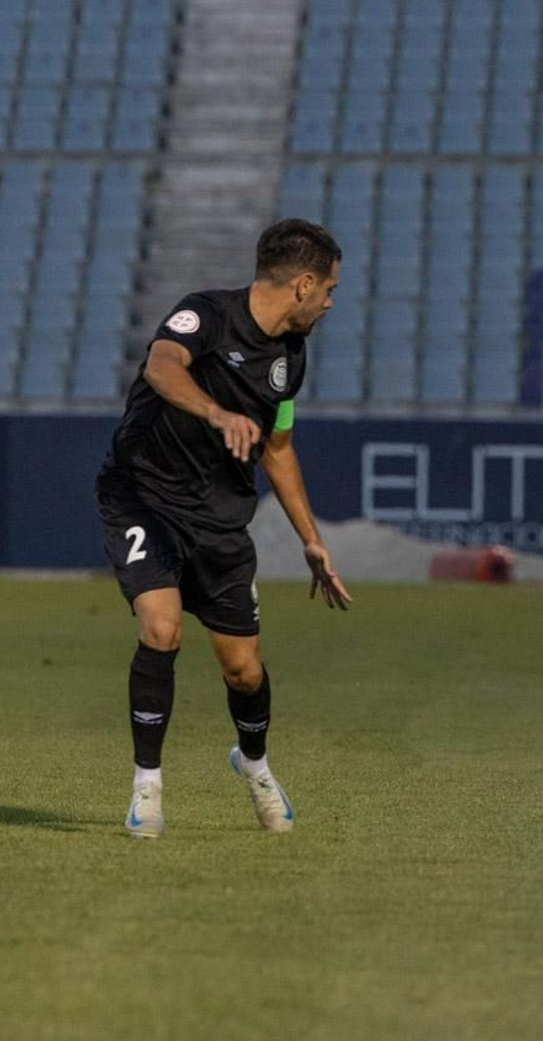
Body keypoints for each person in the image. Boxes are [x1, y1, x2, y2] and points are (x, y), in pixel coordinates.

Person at [96, 218, 354, 838]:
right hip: (144, 498)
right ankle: (146, 789)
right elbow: (161, 366)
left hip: (218, 521)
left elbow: (280, 448)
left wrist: (311, 539)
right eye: (329, 290)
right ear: (303, 283)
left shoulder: (290, 360)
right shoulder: (204, 315)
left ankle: (254, 763)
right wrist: (216, 411)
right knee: (161, 631)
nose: (330, 303)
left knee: (243, 670)